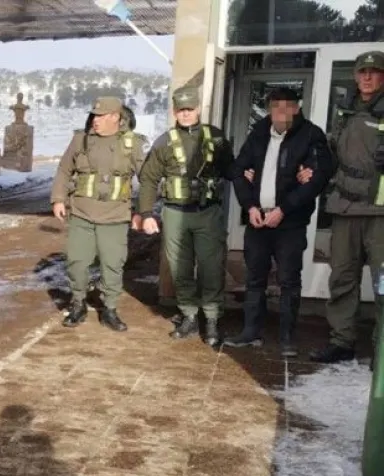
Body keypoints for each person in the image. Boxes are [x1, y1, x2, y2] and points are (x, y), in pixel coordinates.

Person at [221, 87, 332, 357]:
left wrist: (284, 208)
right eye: (275, 106)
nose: (281, 112)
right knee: (255, 277)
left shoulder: (310, 135)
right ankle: (251, 332)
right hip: (258, 220)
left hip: (289, 222)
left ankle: (286, 338)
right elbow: (237, 170)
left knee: (288, 280)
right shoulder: (259, 132)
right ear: (269, 109)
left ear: (297, 108)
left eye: (287, 106)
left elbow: (318, 177)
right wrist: (249, 207)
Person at [136, 85, 235, 347]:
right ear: (174, 111)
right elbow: (148, 178)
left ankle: (212, 317)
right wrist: (146, 213)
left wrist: (250, 173)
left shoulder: (215, 137)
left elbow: (230, 169)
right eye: (181, 110)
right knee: (179, 268)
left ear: (198, 109)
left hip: (208, 213)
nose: (186, 114)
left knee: (211, 267)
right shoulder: (164, 142)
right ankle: (189, 314)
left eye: (190, 109)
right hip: (175, 213)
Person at [51, 96, 148, 331]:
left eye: (102, 116)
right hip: (83, 213)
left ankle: (110, 309)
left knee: (112, 264)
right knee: (77, 262)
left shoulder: (131, 143)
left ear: (116, 117)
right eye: (94, 115)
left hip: (115, 215)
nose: (96, 120)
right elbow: (64, 170)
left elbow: (147, 178)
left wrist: (143, 212)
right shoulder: (80, 140)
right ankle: (77, 304)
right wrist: (58, 199)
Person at [311, 50, 384, 363]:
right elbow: (332, 152)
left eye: (374, 71)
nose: (367, 77)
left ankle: (382, 349)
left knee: (383, 281)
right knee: (341, 277)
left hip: (380, 210)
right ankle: (342, 341)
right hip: (344, 207)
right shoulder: (345, 108)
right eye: (362, 71)